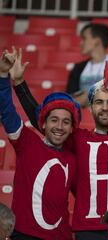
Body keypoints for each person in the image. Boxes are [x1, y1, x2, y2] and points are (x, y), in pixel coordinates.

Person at [13, 60, 108, 240]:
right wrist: (19, 84)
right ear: (90, 106)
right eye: (98, 102)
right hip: (86, 231)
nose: (104, 108)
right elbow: (43, 120)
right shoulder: (77, 138)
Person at [0, 48, 79, 239]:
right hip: (23, 235)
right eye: (54, 120)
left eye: (65, 122)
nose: (59, 126)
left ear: (71, 128)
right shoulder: (27, 142)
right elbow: (6, 110)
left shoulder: (74, 157)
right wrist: (3, 75)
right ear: (42, 123)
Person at [66, 23, 108, 107]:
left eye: (84, 39)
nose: (81, 43)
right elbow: (70, 97)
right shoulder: (78, 68)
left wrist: (89, 97)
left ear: (97, 41)